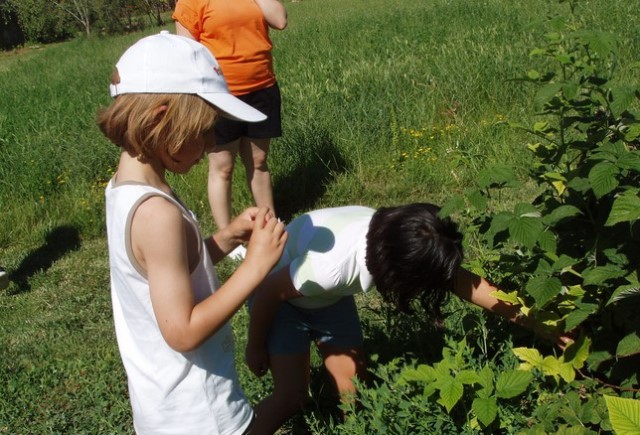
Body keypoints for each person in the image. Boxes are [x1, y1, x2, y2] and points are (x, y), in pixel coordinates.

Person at [98, 31, 287, 434]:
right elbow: (182, 331)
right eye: (203, 131)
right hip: (199, 410)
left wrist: (227, 238)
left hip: (164, 404)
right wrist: (253, 268)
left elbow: (168, 267)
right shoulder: (157, 215)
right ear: (159, 119)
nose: (208, 146)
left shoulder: (124, 190)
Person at [245, 203, 573, 434]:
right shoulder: (331, 266)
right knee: (291, 397)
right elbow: (269, 293)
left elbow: (466, 284)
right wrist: (255, 346)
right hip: (280, 302)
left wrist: (542, 325)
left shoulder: (400, 237)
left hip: (329, 300)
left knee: (353, 395)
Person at [173, 0, 288, 260]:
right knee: (222, 168)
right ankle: (229, 238)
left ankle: (268, 227)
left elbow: (280, 20)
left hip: (262, 88)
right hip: (219, 96)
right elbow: (186, 52)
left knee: (259, 162)